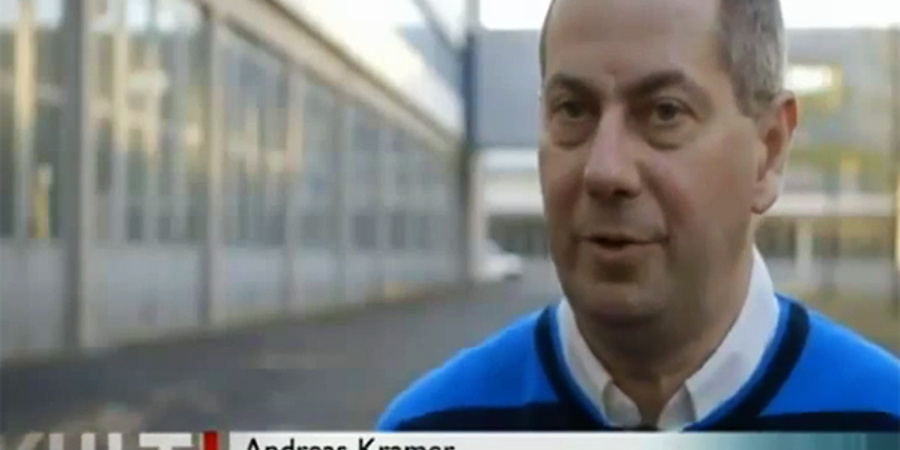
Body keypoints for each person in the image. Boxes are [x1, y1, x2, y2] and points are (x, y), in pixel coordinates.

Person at [376, 0, 900, 431]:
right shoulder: (430, 428)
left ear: (768, 149)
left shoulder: (881, 421)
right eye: (573, 110)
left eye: (665, 112)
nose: (606, 171)